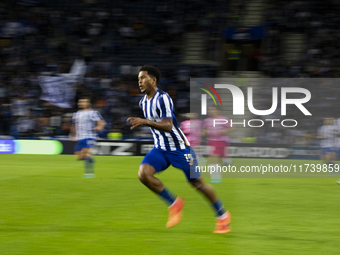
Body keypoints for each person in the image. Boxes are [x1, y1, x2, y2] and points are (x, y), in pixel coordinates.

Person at [128, 65, 231, 233]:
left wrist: (145, 121)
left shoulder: (163, 98)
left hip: (180, 149)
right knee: (143, 174)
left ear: (153, 80)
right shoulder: (142, 102)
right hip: (160, 149)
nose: (139, 81)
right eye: (138, 78)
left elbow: (168, 126)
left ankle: (223, 216)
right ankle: (174, 203)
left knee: (198, 184)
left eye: (143, 78)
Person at [69, 96, 106, 178]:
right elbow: (74, 125)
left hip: (90, 137)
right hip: (80, 137)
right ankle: (89, 157)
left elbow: (102, 122)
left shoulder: (93, 113)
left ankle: (89, 173)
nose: (81, 103)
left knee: (86, 154)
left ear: (88, 103)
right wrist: (72, 134)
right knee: (79, 157)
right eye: (80, 102)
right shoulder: (76, 114)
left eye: (84, 102)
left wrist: (99, 127)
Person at [202, 105, 234, 183]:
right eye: (209, 109)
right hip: (211, 142)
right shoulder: (206, 120)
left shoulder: (224, 119)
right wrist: (204, 132)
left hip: (223, 141)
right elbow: (203, 131)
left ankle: (226, 160)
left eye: (212, 109)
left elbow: (231, 128)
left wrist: (223, 131)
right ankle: (216, 178)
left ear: (217, 110)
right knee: (213, 159)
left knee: (223, 161)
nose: (210, 111)